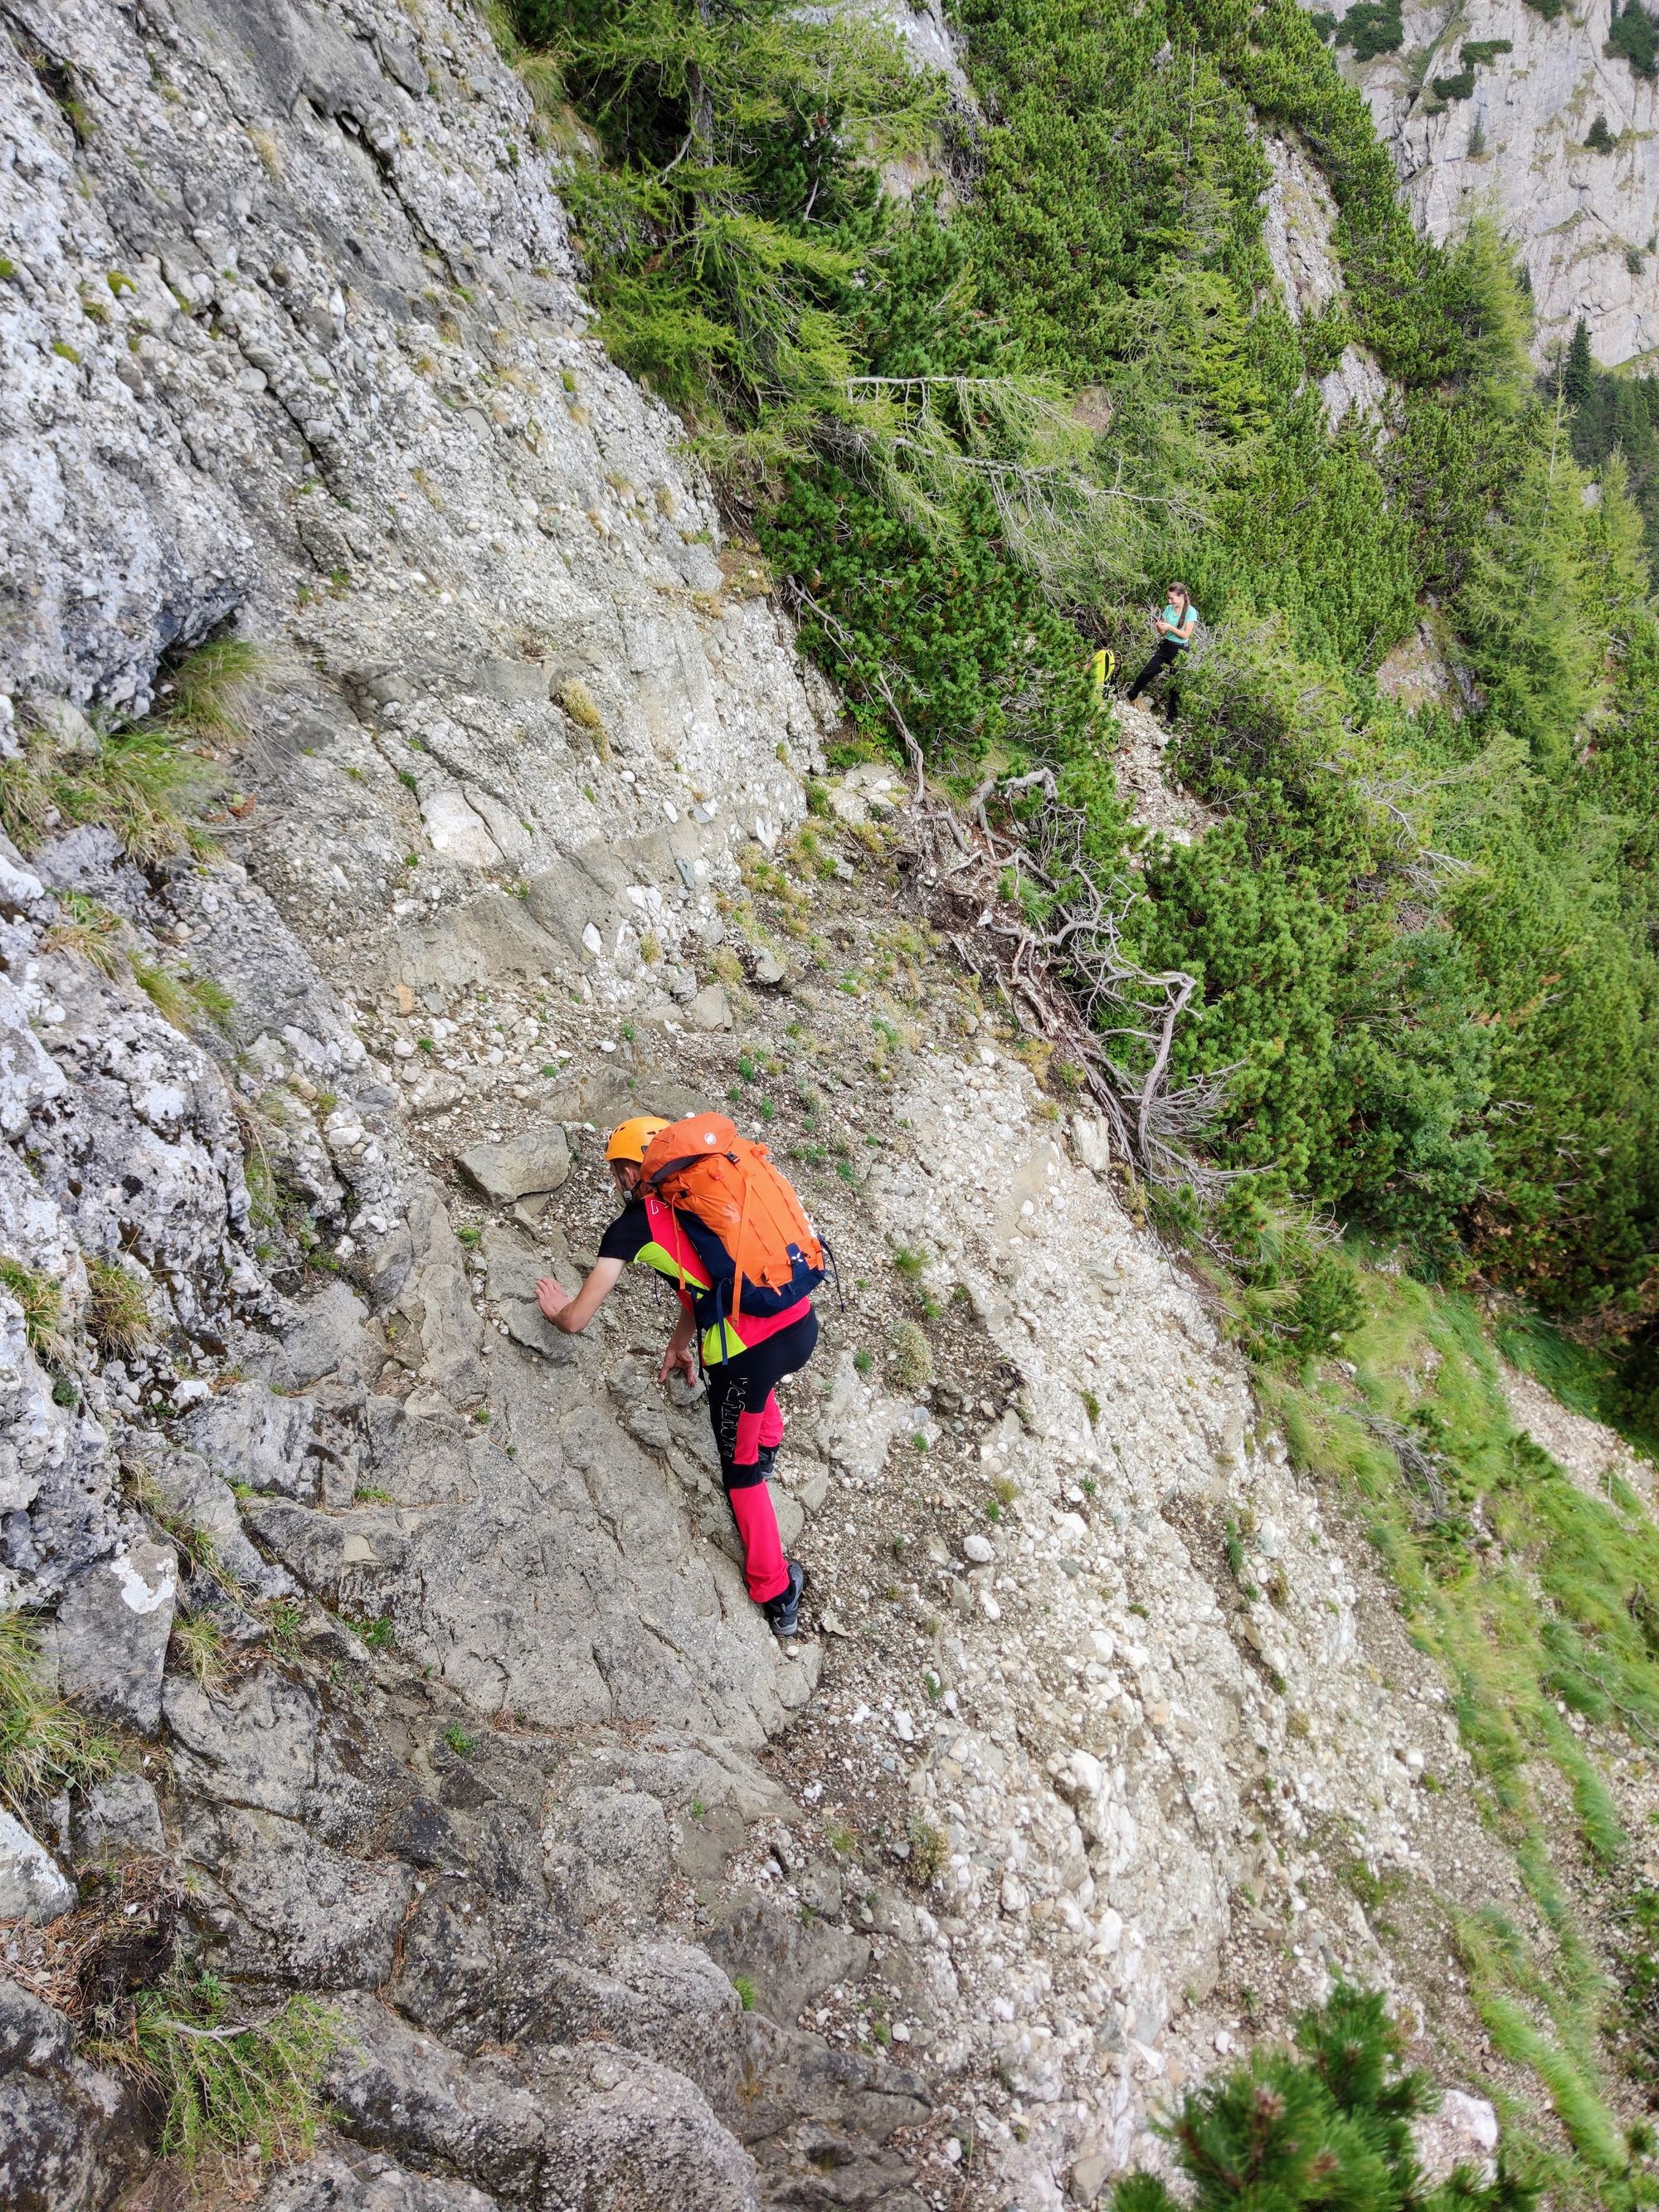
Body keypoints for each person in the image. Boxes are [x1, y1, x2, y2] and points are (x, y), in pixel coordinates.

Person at [534, 1114, 811, 1635]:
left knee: (741, 1471)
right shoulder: (701, 1202)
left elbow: (578, 1319)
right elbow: (704, 1284)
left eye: (619, 1171)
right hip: (798, 1322)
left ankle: (776, 1592)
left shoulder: (633, 1225)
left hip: (748, 1355)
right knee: (754, 1391)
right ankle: (768, 1439)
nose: (618, 1182)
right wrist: (679, 1346)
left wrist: (557, 1312)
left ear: (631, 1172)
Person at [1125, 582, 1197, 714]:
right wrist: (1159, 627)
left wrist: (1170, 627)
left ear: (1181, 596)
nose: (1169, 601)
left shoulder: (1191, 612)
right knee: (1148, 671)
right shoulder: (1169, 609)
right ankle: (1132, 695)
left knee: (1174, 686)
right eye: (1168, 598)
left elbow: (1185, 635)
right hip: (1166, 647)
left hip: (1180, 650)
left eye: (1172, 598)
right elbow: (1164, 634)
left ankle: (1171, 717)